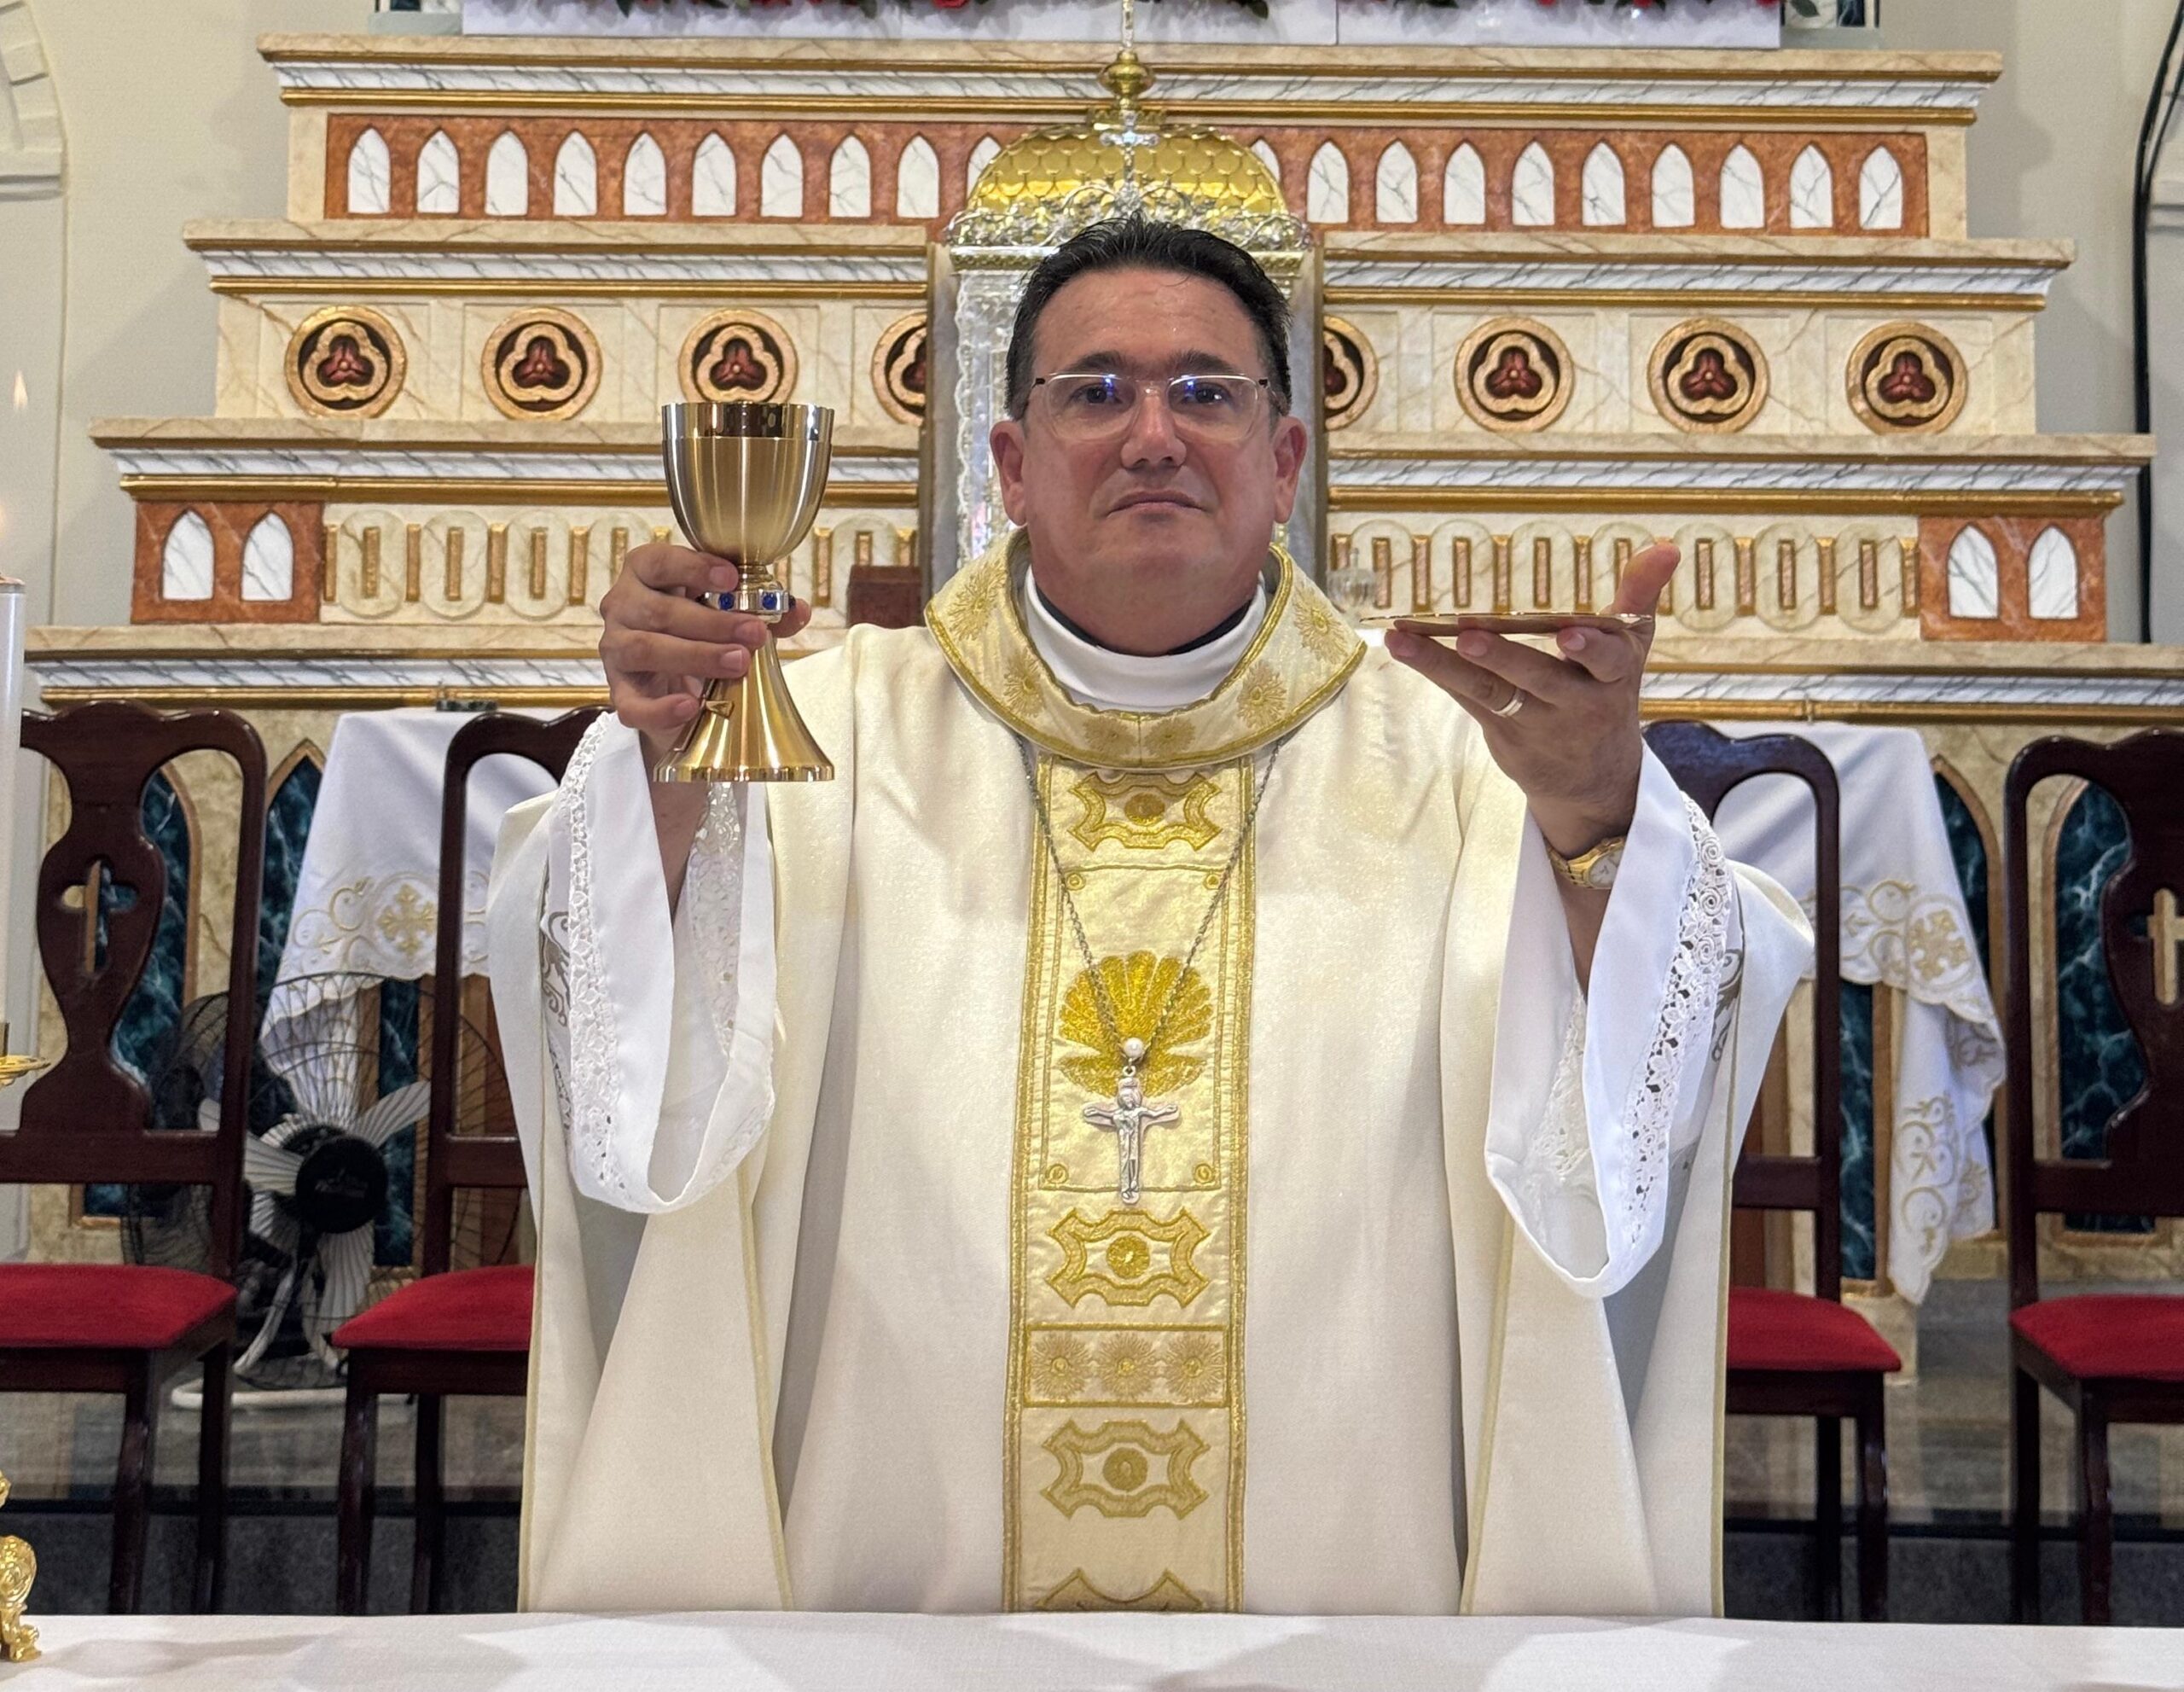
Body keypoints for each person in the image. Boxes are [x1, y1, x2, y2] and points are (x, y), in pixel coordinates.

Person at [486, 218, 1809, 1618]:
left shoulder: (1461, 746)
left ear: (1287, 461)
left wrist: (1602, 819)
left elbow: (1633, 1098)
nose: (1155, 434)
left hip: (1351, 1592)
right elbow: (628, 1056)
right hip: (895, 1589)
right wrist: (658, 760)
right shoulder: (824, 727)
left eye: (1209, 392)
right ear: (1008, 464)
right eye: (1096, 392)